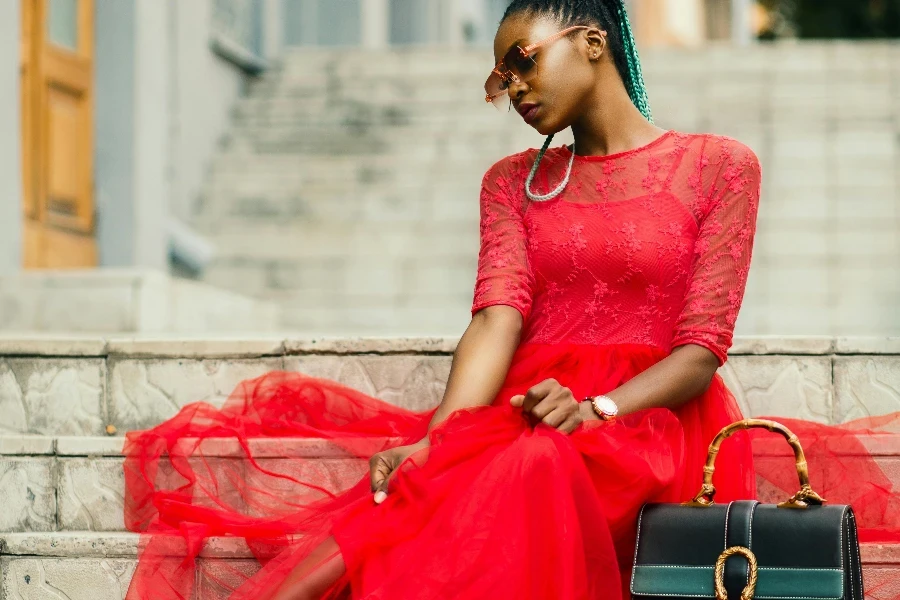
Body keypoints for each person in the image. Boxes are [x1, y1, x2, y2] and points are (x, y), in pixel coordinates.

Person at [122, 1, 899, 599]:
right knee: (444, 482)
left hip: (653, 425)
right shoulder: (511, 181)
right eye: (501, 78)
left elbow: (701, 349)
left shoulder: (718, 166)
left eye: (523, 61)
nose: (513, 88)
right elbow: (497, 318)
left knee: (531, 468)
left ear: (592, 40)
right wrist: (440, 436)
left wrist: (598, 410)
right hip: (528, 413)